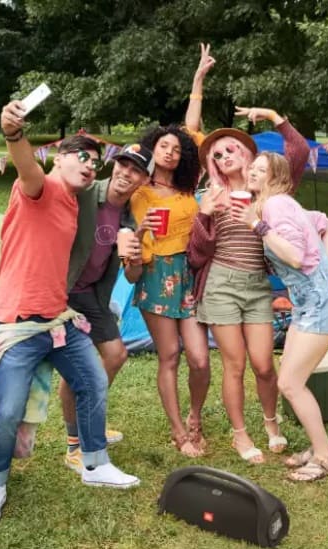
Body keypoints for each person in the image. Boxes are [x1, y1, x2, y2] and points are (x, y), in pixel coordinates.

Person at [0, 101, 139, 528]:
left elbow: (110, 215)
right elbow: (26, 168)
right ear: (58, 158)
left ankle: (94, 463)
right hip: (18, 322)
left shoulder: (73, 202)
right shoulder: (40, 188)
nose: (89, 165)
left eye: (95, 161)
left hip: (58, 320)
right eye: (81, 157)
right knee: (6, 411)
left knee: (93, 382)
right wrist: (14, 134)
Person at [187, 106, 309, 464]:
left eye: (231, 149)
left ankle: (271, 423)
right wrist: (205, 214)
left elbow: (299, 152)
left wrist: (274, 117)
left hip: (257, 286)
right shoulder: (210, 195)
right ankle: (240, 434)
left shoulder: (269, 190)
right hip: (221, 285)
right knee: (235, 365)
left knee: (264, 364)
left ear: (246, 153)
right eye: (217, 155)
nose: (225, 156)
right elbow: (196, 255)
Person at [230, 150, 328, 482]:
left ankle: (324, 457)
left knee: (290, 384)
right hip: (309, 302)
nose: (252, 172)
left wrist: (256, 225)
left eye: (261, 169)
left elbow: (295, 257)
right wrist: (325, 261)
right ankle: (318, 446)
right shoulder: (278, 204)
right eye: (252, 167)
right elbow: (327, 222)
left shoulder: (275, 206)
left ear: (277, 177)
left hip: (322, 303)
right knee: (290, 379)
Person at [128, 44, 214, 457]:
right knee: (170, 356)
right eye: (165, 146)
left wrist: (198, 81)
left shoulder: (185, 187)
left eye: (177, 149)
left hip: (189, 272)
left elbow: (191, 130)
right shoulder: (138, 187)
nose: (172, 151)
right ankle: (179, 433)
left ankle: (196, 417)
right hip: (156, 272)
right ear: (153, 149)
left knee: (200, 358)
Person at [59, 144, 154, 474]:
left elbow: (132, 274)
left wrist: (135, 255)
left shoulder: (131, 215)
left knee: (115, 355)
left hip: (93, 296)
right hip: (63, 291)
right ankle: (75, 444)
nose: (126, 173)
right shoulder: (84, 193)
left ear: (144, 180)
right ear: (113, 166)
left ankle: (90, 418)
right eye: (123, 165)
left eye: (136, 170)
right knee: (77, 368)